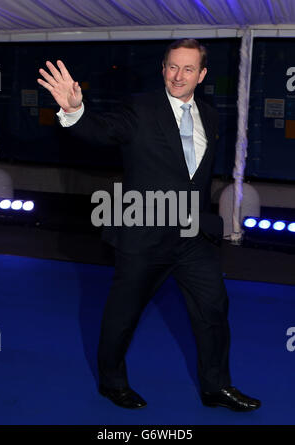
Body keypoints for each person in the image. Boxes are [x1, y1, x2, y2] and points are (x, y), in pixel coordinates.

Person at [37, 38, 261, 412]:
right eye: (172, 66)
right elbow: (102, 131)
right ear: (163, 69)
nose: (179, 75)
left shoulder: (209, 113)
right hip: (145, 230)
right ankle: (112, 383)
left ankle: (215, 386)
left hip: (193, 234)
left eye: (189, 68)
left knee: (213, 310)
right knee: (122, 315)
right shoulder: (140, 109)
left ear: (202, 74)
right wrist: (75, 111)